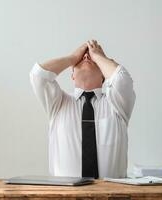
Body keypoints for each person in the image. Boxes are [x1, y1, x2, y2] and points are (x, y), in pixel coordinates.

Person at [30, 40, 136, 178]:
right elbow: (38, 75)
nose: (86, 57)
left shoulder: (116, 103)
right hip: (64, 195)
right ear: (72, 75)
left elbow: (122, 80)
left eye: (91, 57)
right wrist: (72, 58)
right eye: (81, 58)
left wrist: (98, 56)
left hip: (111, 194)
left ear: (104, 74)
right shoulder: (58, 103)